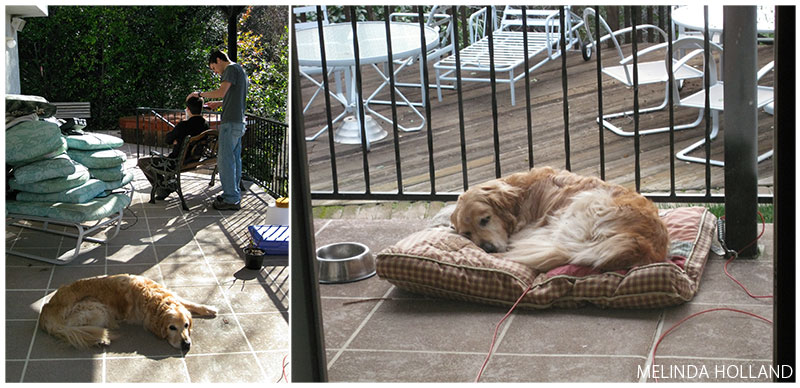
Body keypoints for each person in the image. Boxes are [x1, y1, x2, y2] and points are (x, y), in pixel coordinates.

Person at [187, 50, 249, 211]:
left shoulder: (230, 69)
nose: (215, 72)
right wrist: (220, 103)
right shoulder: (240, 70)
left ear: (219, 60)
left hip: (231, 122)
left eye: (213, 67)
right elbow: (234, 96)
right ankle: (234, 193)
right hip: (239, 122)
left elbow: (222, 91)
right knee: (234, 159)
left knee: (225, 161)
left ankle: (231, 198)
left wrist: (198, 93)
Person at [137, 96, 209, 200]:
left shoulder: (184, 125)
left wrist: (176, 140)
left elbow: (168, 140)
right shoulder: (206, 125)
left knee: (142, 162)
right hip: (194, 160)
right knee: (164, 157)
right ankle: (168, 184)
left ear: (188, 109)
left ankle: (164, 187)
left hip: (176, 162)